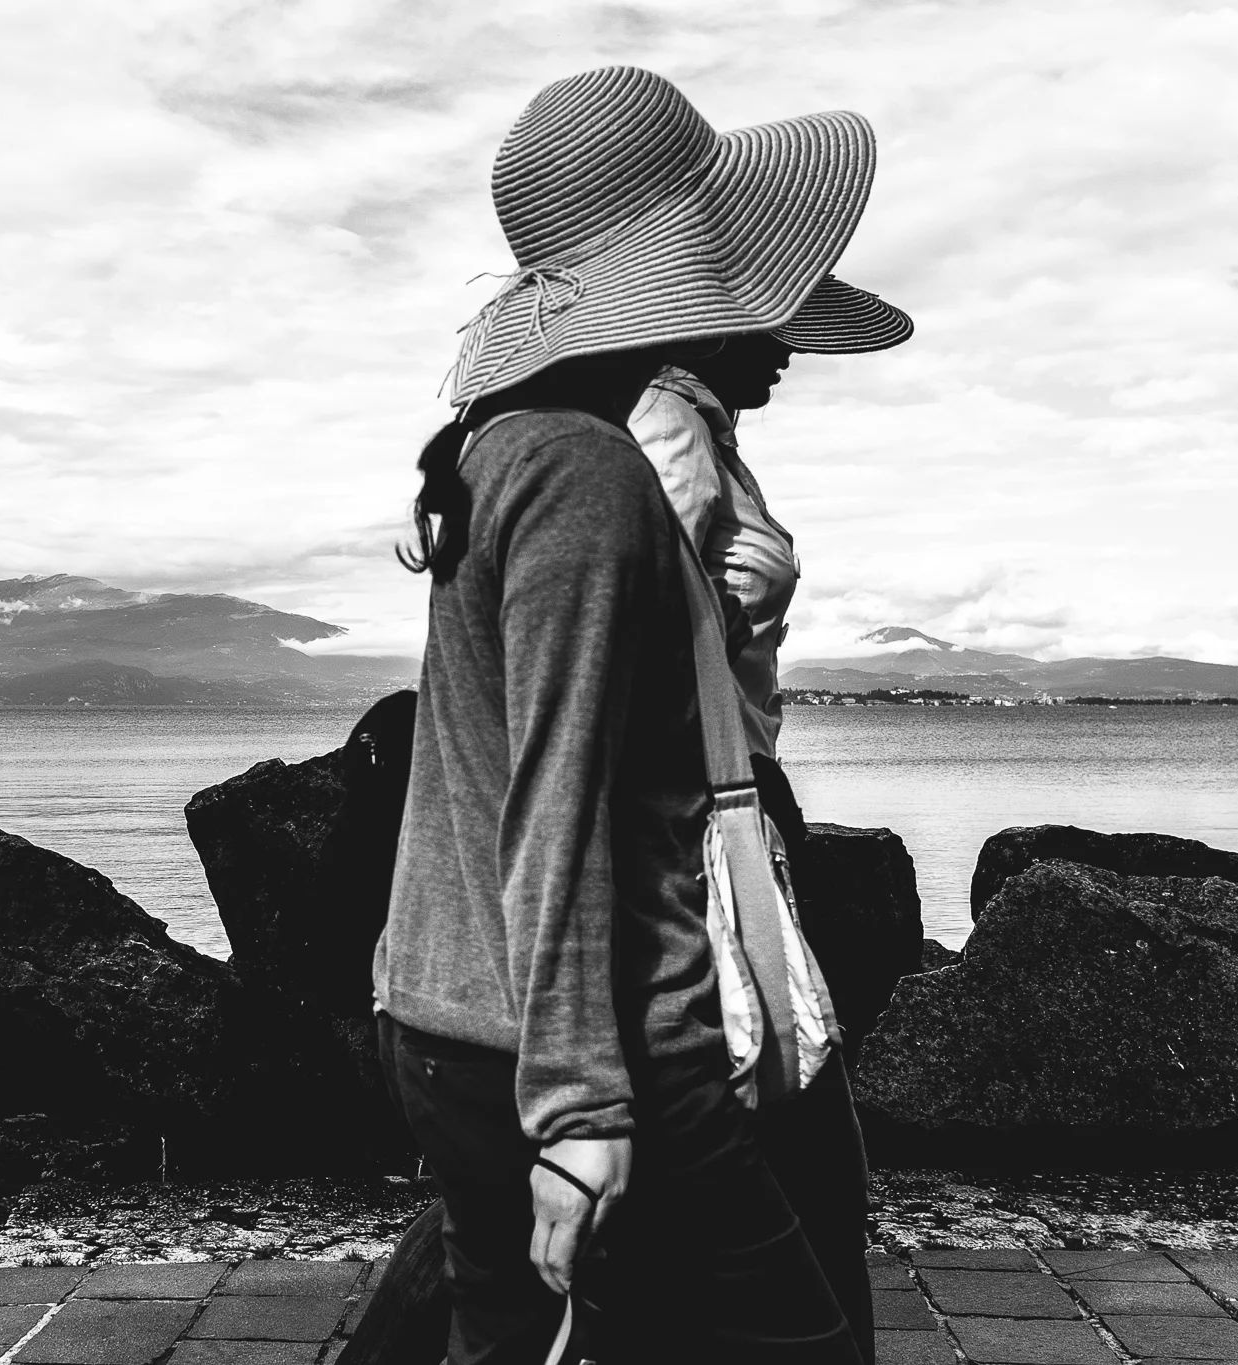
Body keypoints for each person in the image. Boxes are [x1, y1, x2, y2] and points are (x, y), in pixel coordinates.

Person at [371, 66, 906, 1363]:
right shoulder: (584, 469)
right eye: (749, 287)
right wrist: (576, 1109)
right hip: (598, 1038)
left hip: (464, 1013)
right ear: (676, 295)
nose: (781, 333)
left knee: (518, 1330)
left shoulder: (508, 446)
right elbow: (559, 798)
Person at [626, 302, 911, 1362]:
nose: (791, 350)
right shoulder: (664, 419)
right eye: (775, 324)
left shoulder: (704, 432)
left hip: (730, 792)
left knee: (773, 1139)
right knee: (797, 1148)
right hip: (705, 806)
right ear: (711, 323)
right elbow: (633, 628)